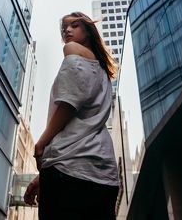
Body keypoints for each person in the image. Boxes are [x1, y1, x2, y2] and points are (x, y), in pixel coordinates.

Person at [23, 12, 120, 219]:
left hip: (68, 172)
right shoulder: (102, 73)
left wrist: (41, 144)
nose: (67, 30)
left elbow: (69, 104)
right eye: (64, 28)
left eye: (74, 25)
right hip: (103, 175)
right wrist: (43, 178)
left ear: (89, 31)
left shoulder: (72, 50)